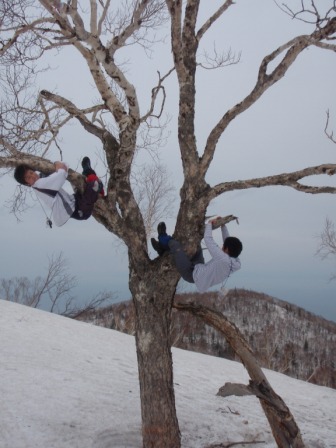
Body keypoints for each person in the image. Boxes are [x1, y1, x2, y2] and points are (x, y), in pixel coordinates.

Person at [151, 217, 242, 293]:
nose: (221, 247)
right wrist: (223, 226)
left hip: (190, 274)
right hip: (200, 268)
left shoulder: (223, 259)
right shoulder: (235, 261)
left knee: (175, 245)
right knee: (196, 245)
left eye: (223, 247)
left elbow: (208, 239)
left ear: (226, 249)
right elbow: (228, 241)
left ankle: (162, 238)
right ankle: (163, 250)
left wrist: (209, 224)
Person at [13, 157, 104, 227]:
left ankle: (87, 171)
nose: (32, 176)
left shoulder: (41, 178)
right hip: (77, 210)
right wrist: (58, 163)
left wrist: (58, 165)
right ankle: (94, 183)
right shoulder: (40, 184)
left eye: (31, 173)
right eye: (28, 178)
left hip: (73, 201)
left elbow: (63, 169)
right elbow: (62, 173)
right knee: (93, 186)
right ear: (27, 184)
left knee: (85, 183)